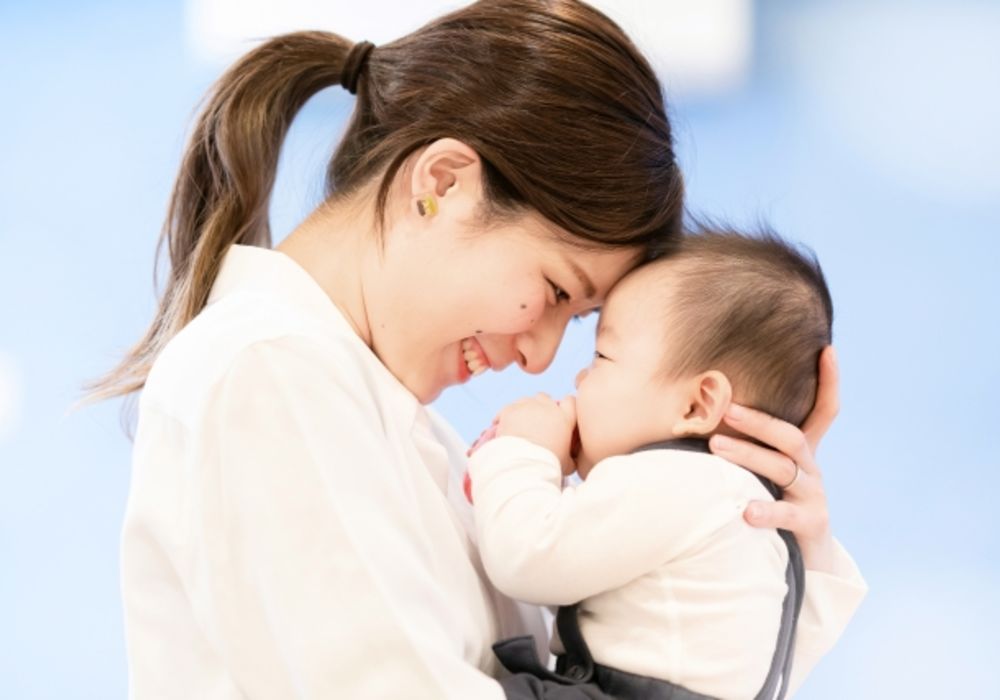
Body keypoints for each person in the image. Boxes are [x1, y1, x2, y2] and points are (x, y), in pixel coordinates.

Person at [88, 1, 856, 697]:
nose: (541, 358)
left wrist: (754, 543)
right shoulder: (269, 373)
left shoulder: (388, 421)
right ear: (444, 182)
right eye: (555, 290)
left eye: (578, 323)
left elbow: (631, 668)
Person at [466, 228, 868, 699]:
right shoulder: (752, 520)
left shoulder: (683, 482)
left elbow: (529, 556)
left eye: (602, 356)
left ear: (697, 405)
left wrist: (523, 450)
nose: (579, 378)